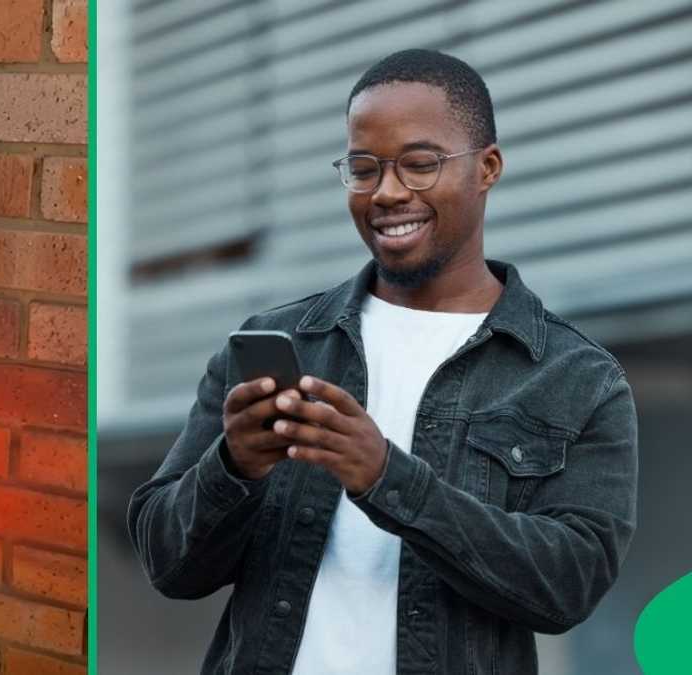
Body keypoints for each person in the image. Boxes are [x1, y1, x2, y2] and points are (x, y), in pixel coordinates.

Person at [127, 49, 638, 675]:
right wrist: (232, 467)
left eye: (420, 165)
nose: (388, 193)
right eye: (364, 168)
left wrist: (386, 479)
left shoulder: (577, 378)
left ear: (488, 168)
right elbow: (167, 564)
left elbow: (568, 585)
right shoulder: (279, 340)